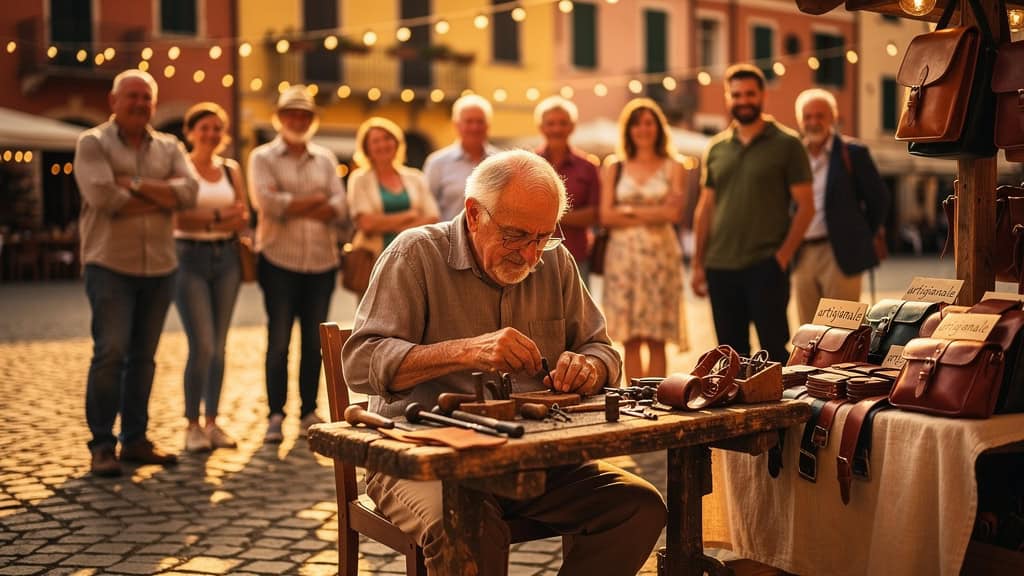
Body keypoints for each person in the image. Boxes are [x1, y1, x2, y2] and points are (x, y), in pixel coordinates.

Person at [343, 150, 666, 576]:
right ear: (474, 214)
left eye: (543, 237)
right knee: (465, 529)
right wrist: (464, 350)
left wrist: (590, 368)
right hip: (419, 456)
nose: (531, 255)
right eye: (516, 236)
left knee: (637, 508)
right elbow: (360, 362)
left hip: (532, 454)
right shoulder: (416, 255)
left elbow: (602, 350)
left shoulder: (555, 261)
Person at [74, 69, 199, 476]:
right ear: (114, 101)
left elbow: (190, 193)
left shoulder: (170, 145)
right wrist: (162, 196)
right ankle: (102, 445)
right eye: (132, 96)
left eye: (146, 98)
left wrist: (136, 184)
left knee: (143, 358)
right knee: (110, 353)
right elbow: (104, 197)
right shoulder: (92, 142)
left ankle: (135, 440)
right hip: (109, 263)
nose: (140, 104)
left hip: (160, 265)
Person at [691, 64, 814, 362]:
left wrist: (782, 257)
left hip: (766, 264)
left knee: (774, 352)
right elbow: (706, 207)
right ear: (727, 98)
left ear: (762, 95)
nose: (743, 100)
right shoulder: (716, 148)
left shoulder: (788, 144)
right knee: (730, 357)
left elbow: (807, 206)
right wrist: (698, 264)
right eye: (736, 95)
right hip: (720, 266)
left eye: (749, 94)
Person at [248, 85, 349, 443]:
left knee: (314, 341)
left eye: (304, 115)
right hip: (278, 259)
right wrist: (314, 201)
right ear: (279, 118)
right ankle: (275, 415)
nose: (298, 120)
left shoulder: (324, 158)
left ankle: (308, 410)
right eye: (291, 114)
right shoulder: (262, 157)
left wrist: (294, 202)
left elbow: (340, 206)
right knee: (278, 340)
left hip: (322, 262)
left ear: (312, 120)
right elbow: (268, 203)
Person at [174, 102, 248, 452]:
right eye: (204, 127)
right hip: (187, 258)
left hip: (227, 259)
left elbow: (242, 217)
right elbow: (178, 219)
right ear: (190, 132)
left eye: (217, 127)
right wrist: (220, 215)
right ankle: (191, 424)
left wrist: (206, 217)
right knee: (201, 344)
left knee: (219, 346)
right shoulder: (181, 167)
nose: (212, 134)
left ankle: (213, 422)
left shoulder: (231, 170)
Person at [600, 98, 689, 381]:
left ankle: (657, 396)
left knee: (656, 336)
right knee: (631, 337)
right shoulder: (615, 166)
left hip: (660, 257)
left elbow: (674, 214)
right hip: (623, 259)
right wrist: (654, 211)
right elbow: (606, 216)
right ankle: (636, 397)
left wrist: (627, 209)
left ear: (659, 127)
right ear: (628, 129)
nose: (642, 129)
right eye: (636, 123)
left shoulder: (674, 166)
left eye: (648, 122)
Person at [792, 88, 889, 324]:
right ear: (800, 121)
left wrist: (860, 234)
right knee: (807, 330)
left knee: (841, 331)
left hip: (840, 255)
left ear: (833, 118)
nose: (814, 122)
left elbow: (880, 199)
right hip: (802, 252)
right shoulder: (795, 157)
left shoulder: (853, 153)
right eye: (808, 116)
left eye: (820, 115)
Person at [346, 116, 439, 296]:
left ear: (397, 143)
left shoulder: (416, 177)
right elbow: (366, 224)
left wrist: (386, 224)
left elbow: (433, 217)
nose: (383, 144)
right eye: (376, 141)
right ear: (367, 149)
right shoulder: (359, 179)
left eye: (387, 138)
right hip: (372, 260)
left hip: (412, 258)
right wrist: (409, 216)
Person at [533, 96, 600, 284]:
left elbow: (594, 214)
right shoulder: (528, 164)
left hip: (576, 255)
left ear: (572, 127)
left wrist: (548, 215)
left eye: (562, 123)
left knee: (577, 312)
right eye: (551, 123)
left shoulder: (588, 166)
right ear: (541, 127)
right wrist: (572, 216)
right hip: (533, 255)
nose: (556, 129)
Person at [423, 94, 500, 221]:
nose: (475, 127)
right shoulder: (437, 163)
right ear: (456, 125)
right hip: (449, 239)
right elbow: (427, 210)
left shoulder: (500, 161)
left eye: (480, 121)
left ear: (488, 125)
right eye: (469, 121)